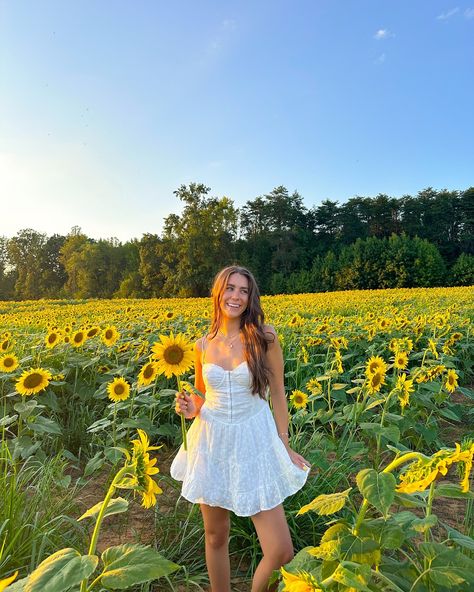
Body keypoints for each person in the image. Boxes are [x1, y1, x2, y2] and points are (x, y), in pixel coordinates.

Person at [171, 265, 310, 592]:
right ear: (218, 293)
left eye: (243, 290)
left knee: (280, 551)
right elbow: (203, 396)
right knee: (216, 534)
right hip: (213, 439)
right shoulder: (202, 345)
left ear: (251, 298)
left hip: (254, 439)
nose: (236, 296)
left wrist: (284, 445)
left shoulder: (265, 336)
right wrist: (191, 408)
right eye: (230, 288)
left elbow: (277, 394)